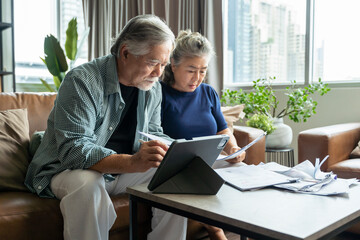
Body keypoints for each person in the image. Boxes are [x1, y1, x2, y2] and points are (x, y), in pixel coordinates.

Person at [25, 15, 188, 240]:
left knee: (174, 175)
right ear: (125, 52)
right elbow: (74, 151)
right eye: (152, 62)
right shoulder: (82, 81)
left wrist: (175, 151)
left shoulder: (152, 87)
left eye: (164, 64)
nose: (159, 73)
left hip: (121, 171)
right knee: (88, 183)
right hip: (65, 170)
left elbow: (153, 132)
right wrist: (132, 162)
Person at [160, 30, 246, 240]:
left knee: (242, 171)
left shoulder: (208, 92)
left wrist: (233, 148)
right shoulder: (158, 93)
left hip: (209, 160)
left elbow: (223, 129)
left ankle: (248, 232)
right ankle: (216, 231)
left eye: (203, 71)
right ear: (174, 64)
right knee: (199, 179)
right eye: (191, 70)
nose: (197, 78)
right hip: (178, 166)